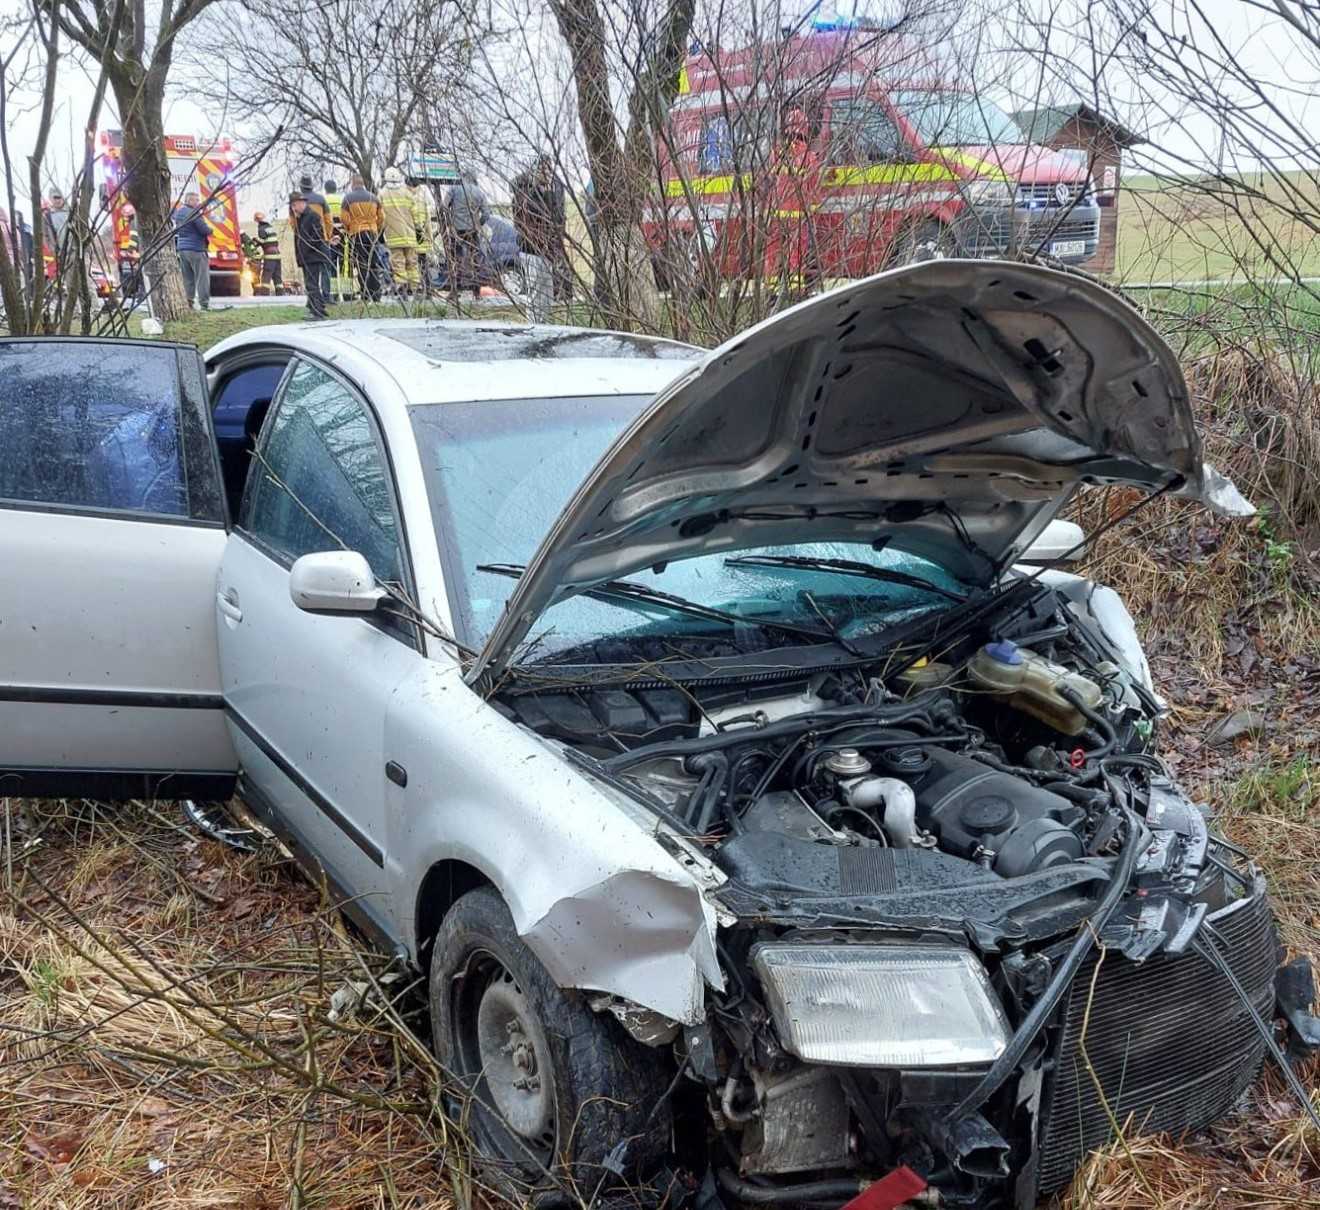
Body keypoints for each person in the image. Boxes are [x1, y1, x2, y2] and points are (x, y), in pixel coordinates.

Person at [764, 108, 822, 295]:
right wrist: (813, 212)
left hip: (775, 215)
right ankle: (796, 291)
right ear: (805, 130)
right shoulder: (809, 157)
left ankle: (771, 291)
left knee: (772, 252)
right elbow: (813, 188)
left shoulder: (776, 154)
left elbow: (767, 182)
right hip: (798, 215)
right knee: (797, 252)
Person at [512, 155, 570, 300]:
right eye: (542, 168)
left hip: (549, 248)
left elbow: (556, 216)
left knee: (546, 294)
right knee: (535, 295)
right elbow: (528, 215)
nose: (546, 173)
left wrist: (549, 192)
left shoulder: (555, 186)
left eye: (549, 169)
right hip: (531, 248)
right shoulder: (525, 191)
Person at [445, 169, 489, 303]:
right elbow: (486, 214)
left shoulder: (454, 188)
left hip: (456, 230)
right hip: (472, 231)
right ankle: (477, 292)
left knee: (455, 260)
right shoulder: (479, 192)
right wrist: (477, 224)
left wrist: (450, 221)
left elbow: (444, 206)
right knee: (475, 261)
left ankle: (454, 290)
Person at [341, 173, 384, 301]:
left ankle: (365, 293)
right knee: (374, 264)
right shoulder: (374, 198)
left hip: (357, 233)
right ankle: (376, 294)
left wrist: (349, 229)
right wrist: (376, 228)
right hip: (372, 233)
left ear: (353, 184)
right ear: (363, 184)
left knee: (361, 264)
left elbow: (344, 219)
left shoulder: (348, 199)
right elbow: (382, 217)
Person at [291, 191, 332, 319]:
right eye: (294, 206)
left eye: (296, 205)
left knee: (312, 285)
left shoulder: (312, 216)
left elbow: (316, 237)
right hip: (307, 257)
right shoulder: (301, 218)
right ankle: (318, 308)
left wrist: (306, 251)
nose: (295, 208)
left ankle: (317, 312)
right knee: (311, 285)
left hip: (312, 257)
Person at [379, 166, 420, 293]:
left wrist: (380, 232)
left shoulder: (382, 194)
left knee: (398, 262)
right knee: (412, 262)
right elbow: (416, 213)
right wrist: (419, 230)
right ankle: (414, 287)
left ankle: (401, 285)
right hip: (410, 234)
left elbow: (380, 216)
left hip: (393, 235)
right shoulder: (407, 193)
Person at [172, 190, 214, 310]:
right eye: (196, 200)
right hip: (196, 248)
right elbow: (203, 229)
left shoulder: (179, 212)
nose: (198, 202)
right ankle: (204, 304)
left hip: (182, 248)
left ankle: (189, 302)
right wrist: (211, 231)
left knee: (188, 277)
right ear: (189, 200)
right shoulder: (194, 213)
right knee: (202, 277)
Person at [118, 203, 144, 303]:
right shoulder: (136, 221)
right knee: (140, 274)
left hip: (139, 252)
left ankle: (142, 295)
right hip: (140, 251)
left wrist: (128, 251)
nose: (125, 219)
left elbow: (133, 239)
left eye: (126, 216)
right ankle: (142, 294)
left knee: (141, 274)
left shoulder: (134, 223)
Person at [298, 175, 333, 242]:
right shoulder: (321, 199)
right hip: (320, 238)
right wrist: (327, 236)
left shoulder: (296, 202)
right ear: (312, 187)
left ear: (301, 187)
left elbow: (293, 222)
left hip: (304, 240)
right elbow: (329, 221)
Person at [255, 210, 283, 292]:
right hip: (277, 255)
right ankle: (280, 294)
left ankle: (264, 294)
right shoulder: (270, 227)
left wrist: (255, 241)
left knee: (266, 275)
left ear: (257, 219)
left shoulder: (261, 228)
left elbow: (263, 241)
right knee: (277, 276)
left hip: (270, 256)